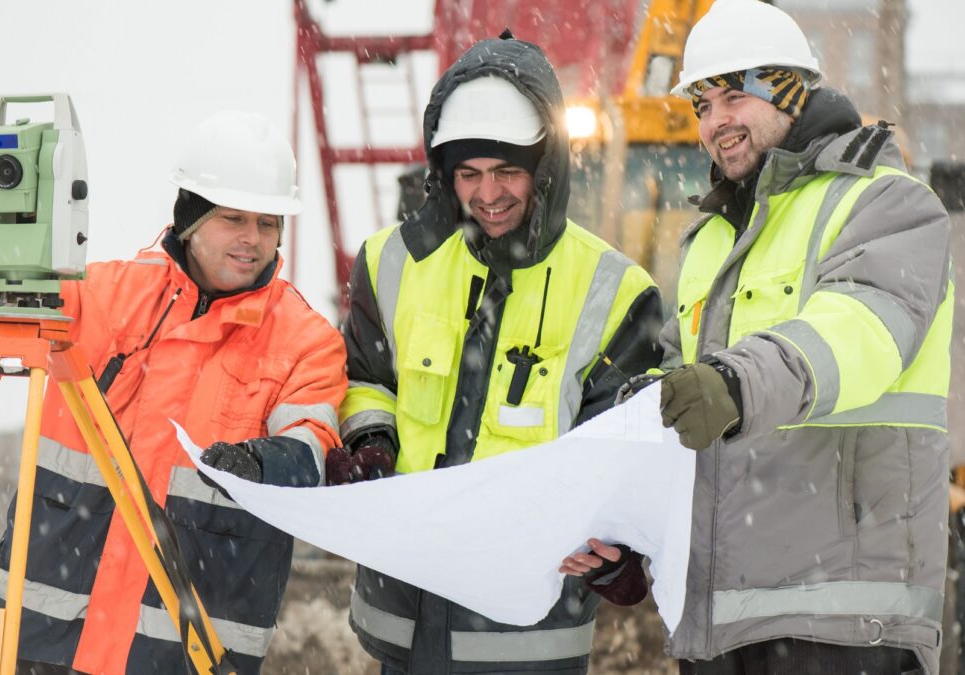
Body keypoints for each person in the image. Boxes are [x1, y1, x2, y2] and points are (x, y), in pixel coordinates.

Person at [564, 1, 952, 673]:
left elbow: (855, 332)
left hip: (843, 623)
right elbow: (683, 419)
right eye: (702, 106)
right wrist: (629, 537)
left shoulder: (885, 202)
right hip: (721, 627)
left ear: (790, 88)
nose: (716, 123)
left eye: (734, 96)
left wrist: (734, 382)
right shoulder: (707, 242)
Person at [0, 111, 347, 675]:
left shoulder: (306, 338)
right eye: (233, 218)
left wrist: (264, 462)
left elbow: (313, 445)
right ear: (190, 218)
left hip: (184, 652)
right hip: (42, 641)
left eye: (268, 223)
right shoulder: (104, 294)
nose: (253, 239)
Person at [332, 32, 663, 674]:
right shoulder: (389, 262)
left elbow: (633, 455)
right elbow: (366, 379)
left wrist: (625, 552)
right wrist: (371, 443)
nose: (489, 195)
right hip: (402, 620)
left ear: (545, 167)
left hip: (528, 638)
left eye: (508, 170)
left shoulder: (617, 291)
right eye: (469, 174)